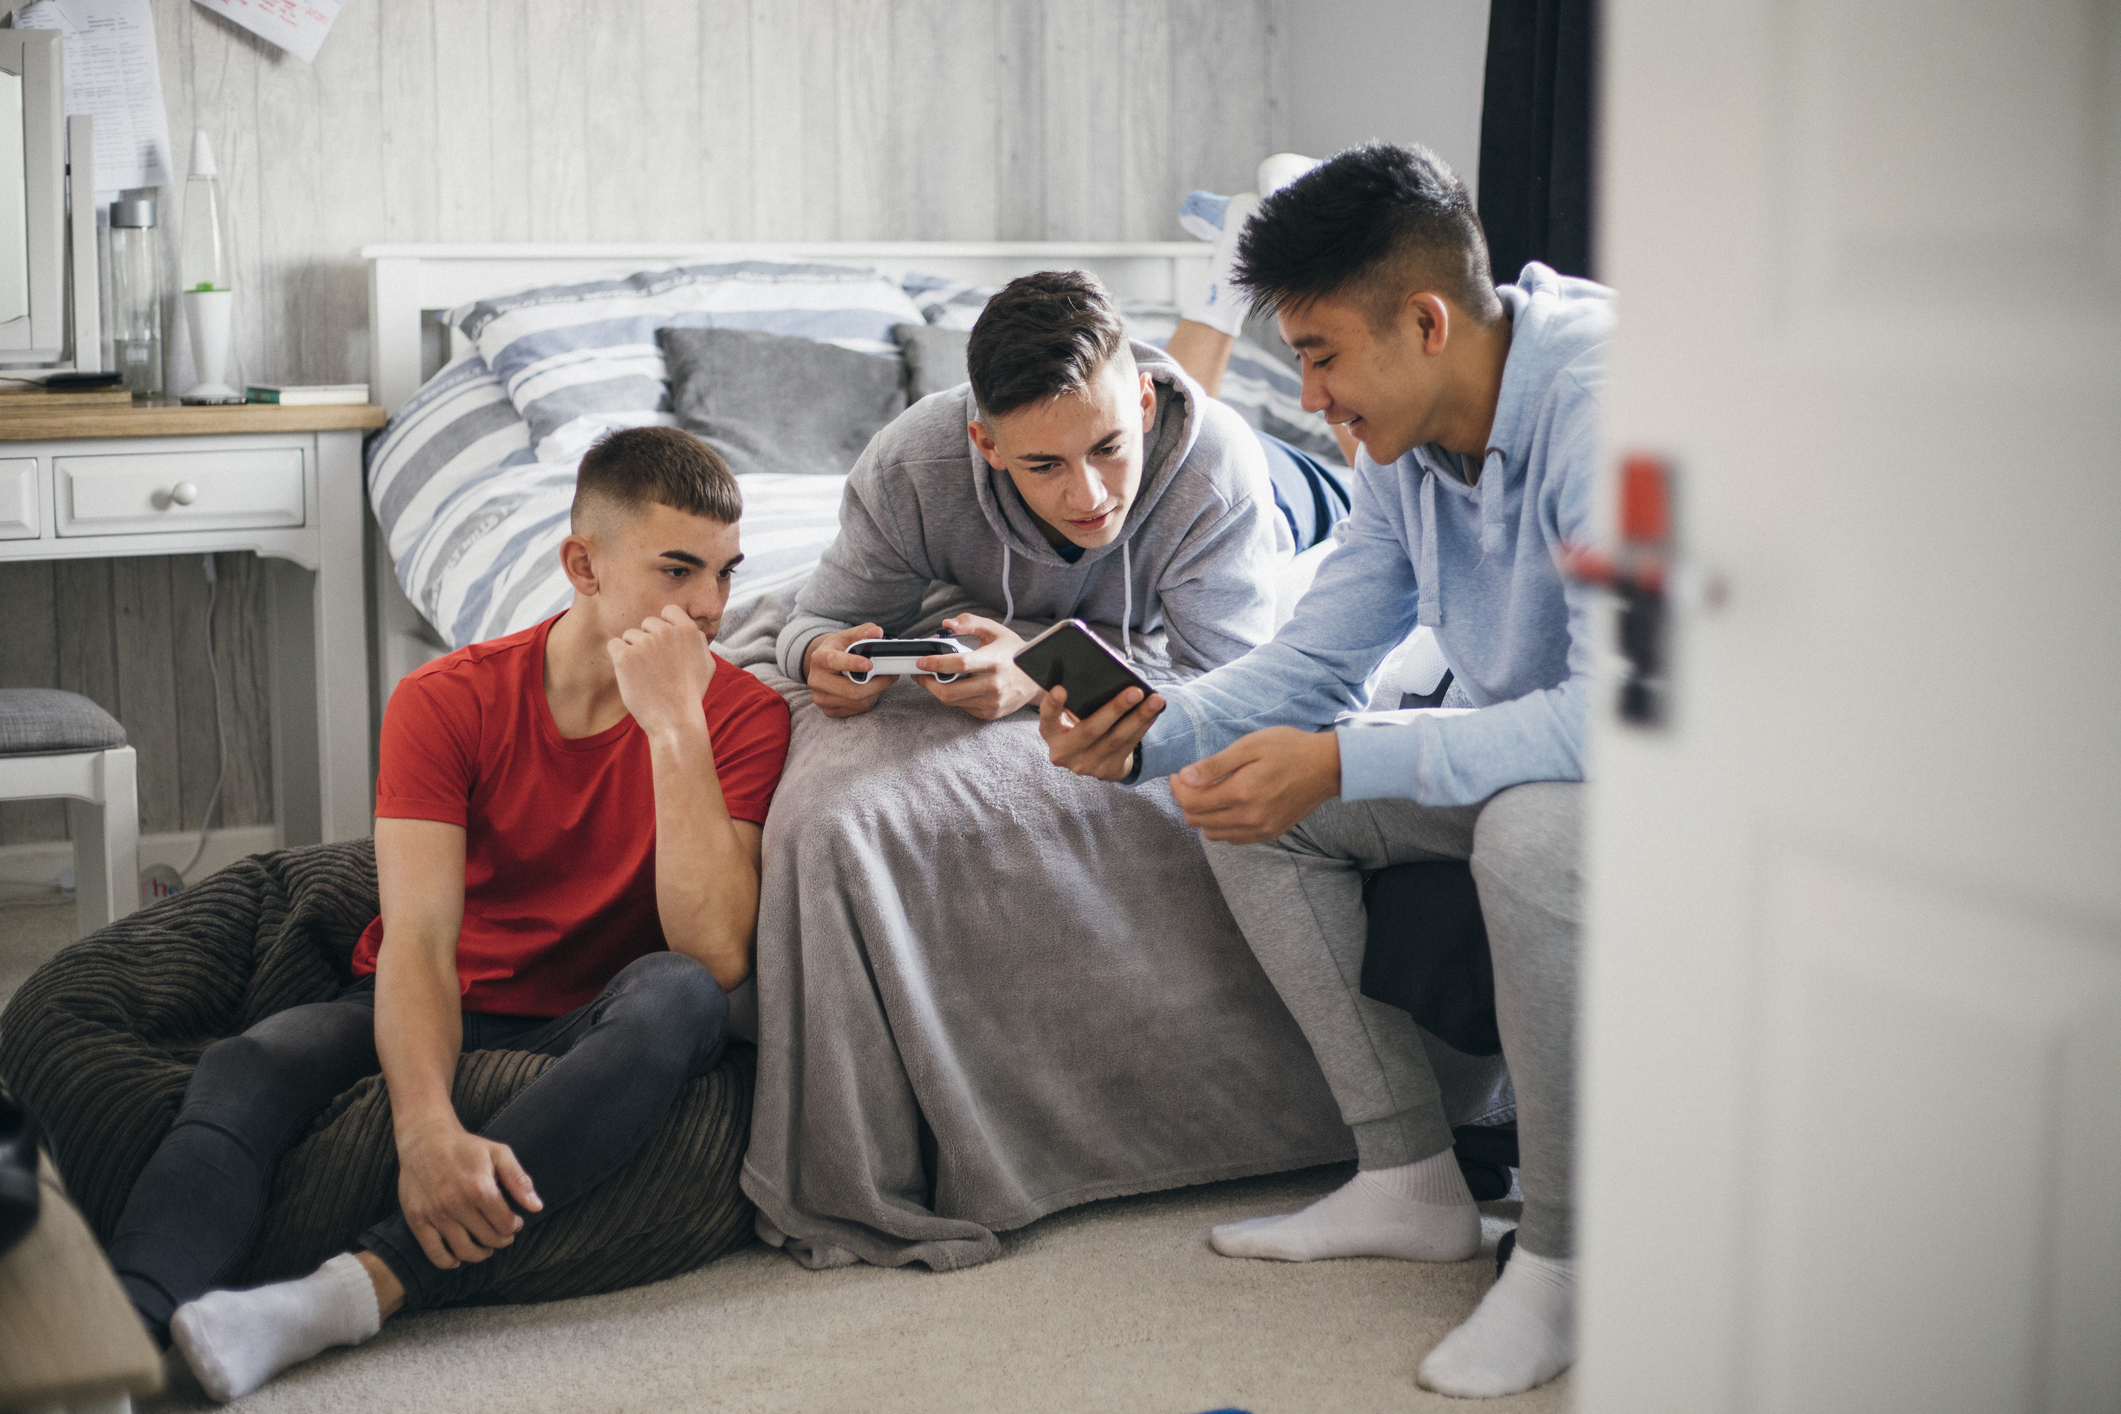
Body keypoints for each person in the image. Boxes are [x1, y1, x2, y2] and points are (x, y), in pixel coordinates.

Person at [1037, 142, 1610, 1399]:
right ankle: (1410, 1177)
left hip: (1675, 781)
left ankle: (1567, 1255)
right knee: (1250, 794)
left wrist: (1350, 757)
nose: (1310, 394)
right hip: (1534, 762)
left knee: (1528, 833)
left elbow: (1620, 720)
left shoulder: (1609, 403)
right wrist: (1150, 730)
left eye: (1321, 353)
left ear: (1425, 319)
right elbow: (1311, 664)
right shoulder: (1401, 448)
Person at [108, 427, 792, 1401]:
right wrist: (426, 1130)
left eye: (726, 573)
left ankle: (356, 1290)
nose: (712, 608)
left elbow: (716, 951)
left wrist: (674, 725)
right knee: (247, 1061)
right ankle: (121, 1347)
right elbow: (419, 942)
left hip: (593, 1015)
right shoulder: (446, 699)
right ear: (581, 564)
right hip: (446, 987)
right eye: (678, 570)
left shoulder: (743, 717)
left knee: (679, 999)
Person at [780, 267, 1286, 716]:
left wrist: (1043, 677)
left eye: (1108, 448)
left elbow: (1235, 694)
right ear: (987, 445)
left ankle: (1229, 272)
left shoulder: (1221, 477)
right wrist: (818, 655)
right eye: (1045, 465)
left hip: (1290, 486)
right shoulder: (908, 470)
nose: (1088, 498)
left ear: (1145, 403)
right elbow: (818, 623)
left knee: (1359, 444)